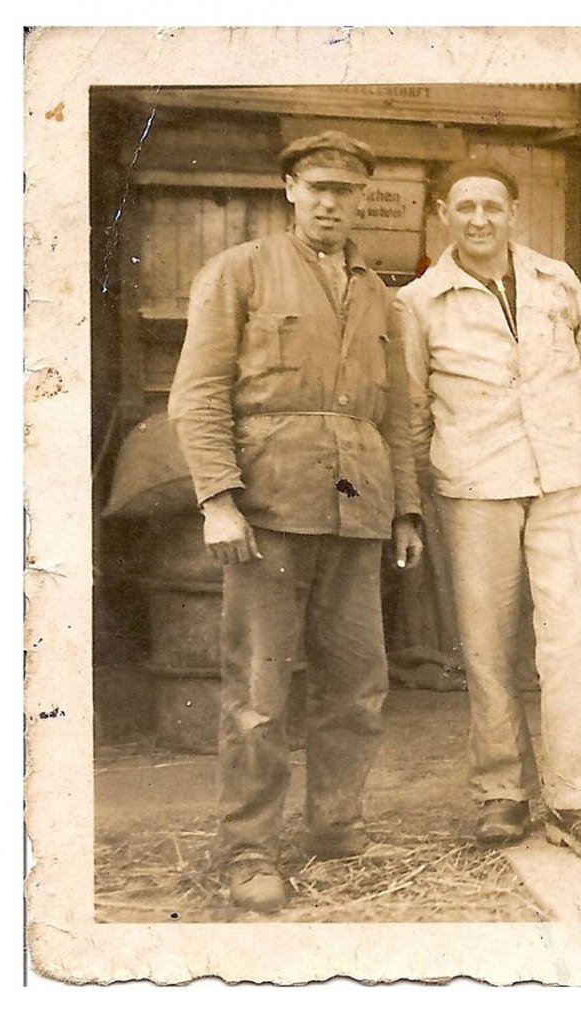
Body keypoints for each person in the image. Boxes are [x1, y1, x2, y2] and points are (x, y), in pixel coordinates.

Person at [168, 131, 425, 912]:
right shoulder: (240, 271)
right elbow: (198, 392)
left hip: (358, 513)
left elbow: (396, 414)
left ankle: (336, 823)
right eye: (318, 188)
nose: (331, 203)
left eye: (345, 191)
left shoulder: (378, 295)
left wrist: (406, 509)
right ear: (290, 189)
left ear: (360, 200)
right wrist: (218, 497)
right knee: (259, 691)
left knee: (357, 684)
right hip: (269, 510)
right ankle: (248, 848)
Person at [392, 160, 581, 865]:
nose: (479, 219)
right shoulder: (419, 303)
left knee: (580, 637)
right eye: (464, 206)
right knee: (487, 644)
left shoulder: (558, 282)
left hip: (570, 481)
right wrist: (449, 470)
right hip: (476, 487)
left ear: (513, 212)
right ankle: (502, 791)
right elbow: (411, 409)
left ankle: (579, 801)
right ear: (443, 213)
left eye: (492, 206)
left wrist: (571, 440)